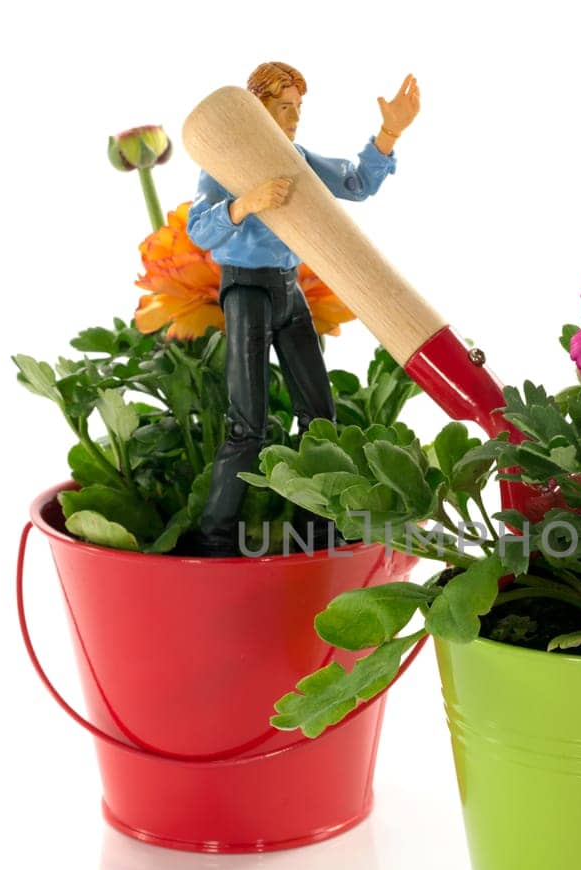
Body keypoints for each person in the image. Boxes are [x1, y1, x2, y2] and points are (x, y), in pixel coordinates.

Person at [187, 61, 421, 555]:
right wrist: (244, 203)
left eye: (298, 108)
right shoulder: (223, 165)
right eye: (282, 107)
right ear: (256, 110)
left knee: (318, 414)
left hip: (289, 290)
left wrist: (388, 133)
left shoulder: (296, 158)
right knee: (246, 423)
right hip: (245, 292)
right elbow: (199, 231)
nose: (293, 118)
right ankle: (215, 538)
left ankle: (321, 531)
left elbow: (355, 183)